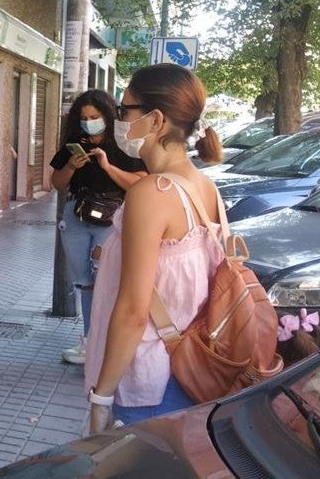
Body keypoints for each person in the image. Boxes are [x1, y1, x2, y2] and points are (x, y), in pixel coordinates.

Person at [83, 64, 226, 432]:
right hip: (192, 371)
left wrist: (101, 398)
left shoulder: (151, 193)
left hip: (148, 382)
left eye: (124, 110)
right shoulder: (205, 187)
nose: (118, 120)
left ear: (156, 120)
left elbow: (133, 311)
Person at [49, 90, 147, 365]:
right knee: (85, 282)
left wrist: (107, 167)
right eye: (84, 118)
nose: (89, 123)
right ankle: (90, 341)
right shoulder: (74, 143)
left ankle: (108, 344)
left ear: (107, 115)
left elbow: (140, 182)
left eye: (94, 117)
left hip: (111, 219)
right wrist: (71, 166)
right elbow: (57, 182)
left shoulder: (124, 144)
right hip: (77, 216)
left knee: (106, 279)